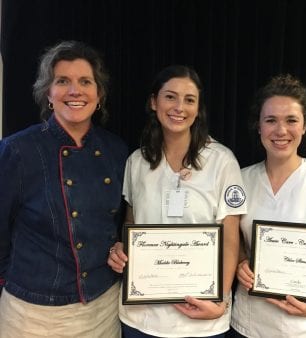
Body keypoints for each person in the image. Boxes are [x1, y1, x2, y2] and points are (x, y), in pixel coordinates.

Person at [107, 65, 247, 338]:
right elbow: (131, 223)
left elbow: (231, 238)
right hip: (142, 318)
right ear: (153, 102)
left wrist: (220, 300)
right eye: (170, 96)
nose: (179, 107)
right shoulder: (137, 161)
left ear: (198, 108)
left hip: (200, 317)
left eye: (189, 99)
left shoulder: (221, 161)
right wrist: (122, 248)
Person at [0, 40, 128, 337]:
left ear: (99, 95)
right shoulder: (17, 151)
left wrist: (120, 248)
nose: (75, 91)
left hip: (102, 306)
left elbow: (119, 222)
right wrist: (13, 280)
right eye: (62, 81)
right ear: (49, 93)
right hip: (32, 314)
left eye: (85, 81)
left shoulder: (116, 150)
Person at [229, 74, 306, 338]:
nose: (281, 131)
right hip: (250, 324)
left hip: (305, 327)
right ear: (258, 126)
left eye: (291, 120)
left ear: (305, 126)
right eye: (270, 120)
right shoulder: (241, 179)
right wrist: (240, 263)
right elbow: (232, 239)